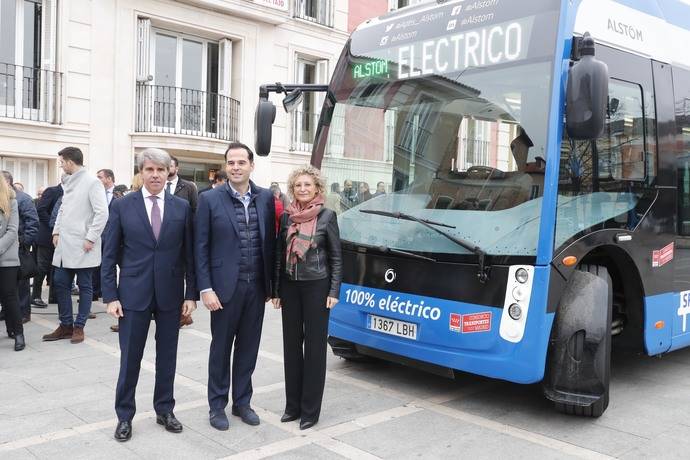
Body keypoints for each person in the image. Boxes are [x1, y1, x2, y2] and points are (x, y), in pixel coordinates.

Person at [102, 148, 197, 442]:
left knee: (168, 357)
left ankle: (164, 409)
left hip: (170, 295)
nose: (155, 175)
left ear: (169, 172)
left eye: (160, 170)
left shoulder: (181, 207)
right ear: (141, 172)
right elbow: (109, 255)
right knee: (130, 358)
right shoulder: (122, 206)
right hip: (132, 295)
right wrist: (110, 296)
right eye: (149, 169)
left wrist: (190, 294)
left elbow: (190, 255)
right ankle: (124, 416)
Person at [195, 141, 275, 431]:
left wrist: (272, 287)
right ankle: (217, 406)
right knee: (220, 349)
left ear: (252, 165)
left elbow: (271, 244)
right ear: (226, 167)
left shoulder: (265, 198)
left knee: (248, 348)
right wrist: (205, 288)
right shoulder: (209, 199)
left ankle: (242, 402)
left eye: (242, 162)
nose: (236, 167)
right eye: (231, 163)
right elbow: (200, 246)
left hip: (256, 287)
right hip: (224, 289)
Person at [272, 166, 342, 430]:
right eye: (298, 185)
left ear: (317, 189)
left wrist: (334, 291)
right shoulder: (286, 218)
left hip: (317, 287)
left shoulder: (327, 216)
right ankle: (293, 407)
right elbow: (279, 256)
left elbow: (336, 257)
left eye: (307, 185)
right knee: (291, 348)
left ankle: (311, 411)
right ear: (293, 189)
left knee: (314, 350)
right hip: (290, 288)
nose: (302, 189)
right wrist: (276, 291)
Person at [42, 147, 108, 344]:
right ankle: (65, 325)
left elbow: (102, 213)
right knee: (60, 283)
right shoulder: (68, 182)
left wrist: (90, 238)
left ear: (70, 162)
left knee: (85, 286)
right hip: (65, 244)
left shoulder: (92, 182)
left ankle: (79, 326)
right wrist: (56, 231)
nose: (61, 165)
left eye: (62, 162)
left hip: (83, 244)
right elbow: (63, 210)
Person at [2, 171, 39, 325]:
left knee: (21, 282)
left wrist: (24, 242)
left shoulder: (23, 199)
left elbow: (33, 222)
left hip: (19, 247)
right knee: (6, 285)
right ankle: (7, 311)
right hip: (5, 247)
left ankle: (24, 312)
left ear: (8, 181)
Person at [0, 176, 25, 351]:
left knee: (9, 296)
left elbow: (12, 230)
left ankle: (18, 333)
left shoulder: (11, 201)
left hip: (7, 258)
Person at [33, 182, 63, 306]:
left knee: (56, 267)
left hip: (61, 237)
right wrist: (53, 225)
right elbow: (41, 209)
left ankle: (54, 296)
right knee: (42, 267)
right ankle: (35, 296)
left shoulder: (72, 192)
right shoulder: (52, 191)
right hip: (46, 236)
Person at [93, 169, 118, 302]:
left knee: (110, 265)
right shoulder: (96, 194)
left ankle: (109, 293)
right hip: (98, 235)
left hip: (112, 236)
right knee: (95, 265)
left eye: (100, 177)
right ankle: (95, 292)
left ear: (109, 178)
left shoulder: (119, 195)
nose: (97, 179)